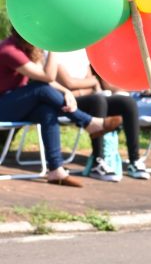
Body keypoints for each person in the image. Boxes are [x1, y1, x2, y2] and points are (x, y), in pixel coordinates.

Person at [0, 28, 121, 187]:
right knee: (39, 89)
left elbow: (45, 81)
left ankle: (55, 170)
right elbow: (47, 77)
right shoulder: (9, 50)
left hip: (16, 105)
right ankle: (88, 122)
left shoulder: (27, 49)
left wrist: (65, 92)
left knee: (47, 111)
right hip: (4, 107)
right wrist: (53, 48)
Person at [54, 49, 150, 181]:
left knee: (128, 103)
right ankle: (98, 162)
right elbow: (69, 83)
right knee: (97, 100)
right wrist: (89, 84)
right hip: (63, 102)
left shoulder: (81, 50)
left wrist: (86, 86)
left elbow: (92, 84)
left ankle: (135, 160)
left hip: (87, 98)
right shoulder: (54, 50)